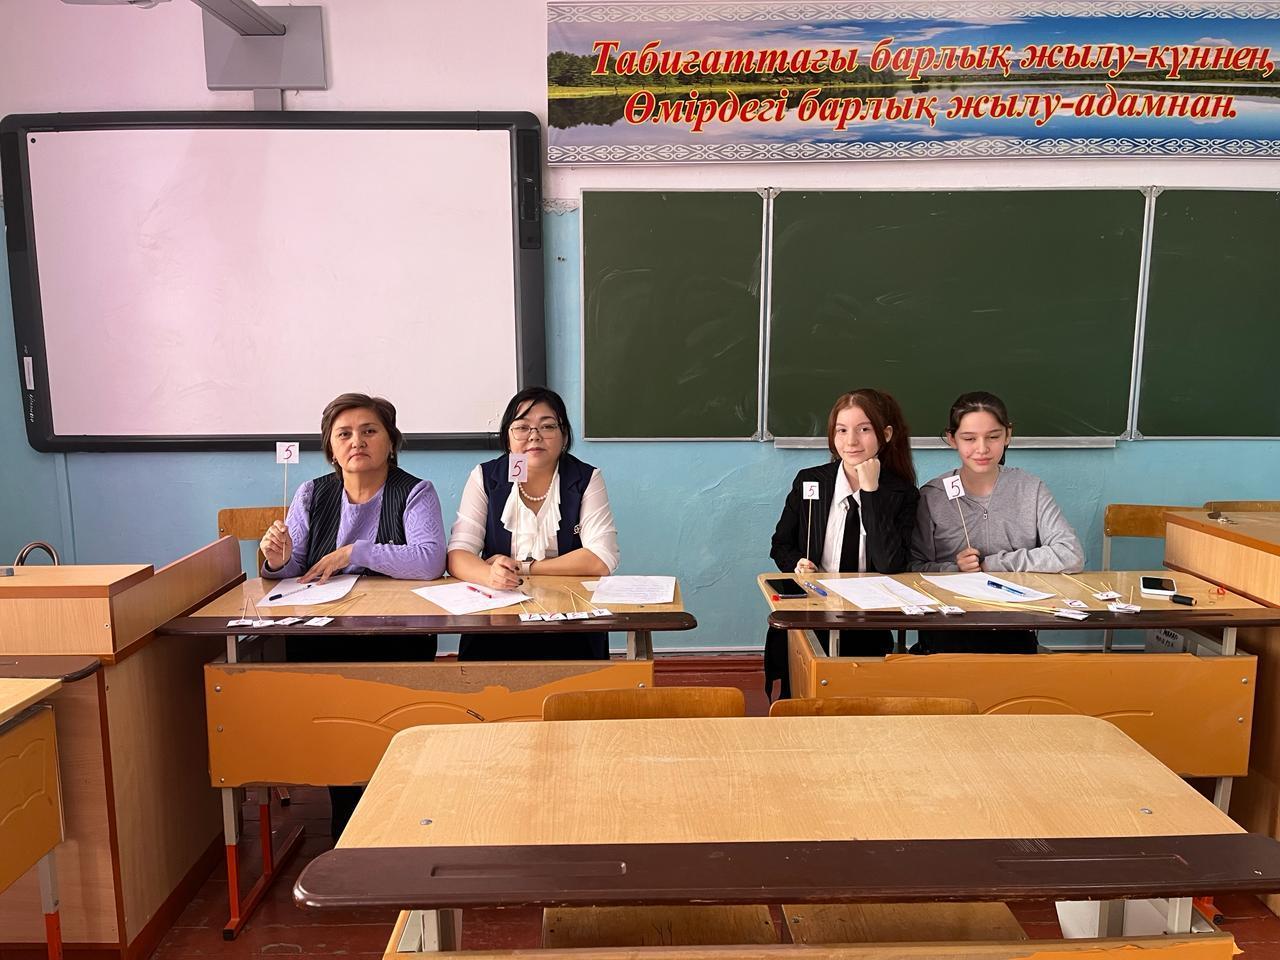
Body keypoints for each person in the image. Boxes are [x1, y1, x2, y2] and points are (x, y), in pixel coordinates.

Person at [260, 391, 445, 838]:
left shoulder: (415, 492)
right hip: (324, 633)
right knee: (335, 728)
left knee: (392, 728)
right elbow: (293, 567)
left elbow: (429, 560)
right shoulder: (311, 493)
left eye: (369, 431)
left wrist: (354, 552)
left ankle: (399, 816)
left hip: (396, 634)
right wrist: (277, 559)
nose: (357, 441)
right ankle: (346, 815)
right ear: (331, 447)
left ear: (390, 441)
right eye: (344, 434)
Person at [766, 389, 919, 698]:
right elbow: (780, 544)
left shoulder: (902, 494)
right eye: (842, 430)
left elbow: (890, 564)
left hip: (867, 620)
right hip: (811, 612)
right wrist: (796, 563)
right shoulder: (810, 482)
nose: (851, 441)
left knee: (857, 698)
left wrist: (871, 493)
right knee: (802, 696)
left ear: (886, 434)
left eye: (864, 429)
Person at [447, 386, 619, 660]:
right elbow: (457, 555)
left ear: (564, 436)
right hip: (497, 617)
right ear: (508, 438)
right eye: (522, 427)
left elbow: (601, 558)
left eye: (547, 426)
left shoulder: (586, 478)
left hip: (572, 619)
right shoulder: (486, 477)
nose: (534, 436)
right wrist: (490, 575)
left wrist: (525, 567)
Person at [911, 390, 1085, 654]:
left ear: (1008, 435)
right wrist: (955, 569)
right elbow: (914, 567)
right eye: (969, 438)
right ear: (952, 439)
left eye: (993, 437)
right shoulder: (933, 495)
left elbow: (1070, 554)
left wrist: (991, 564)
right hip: (948, 629)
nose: (982, 448)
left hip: (1015, 624)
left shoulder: (1030, 488)